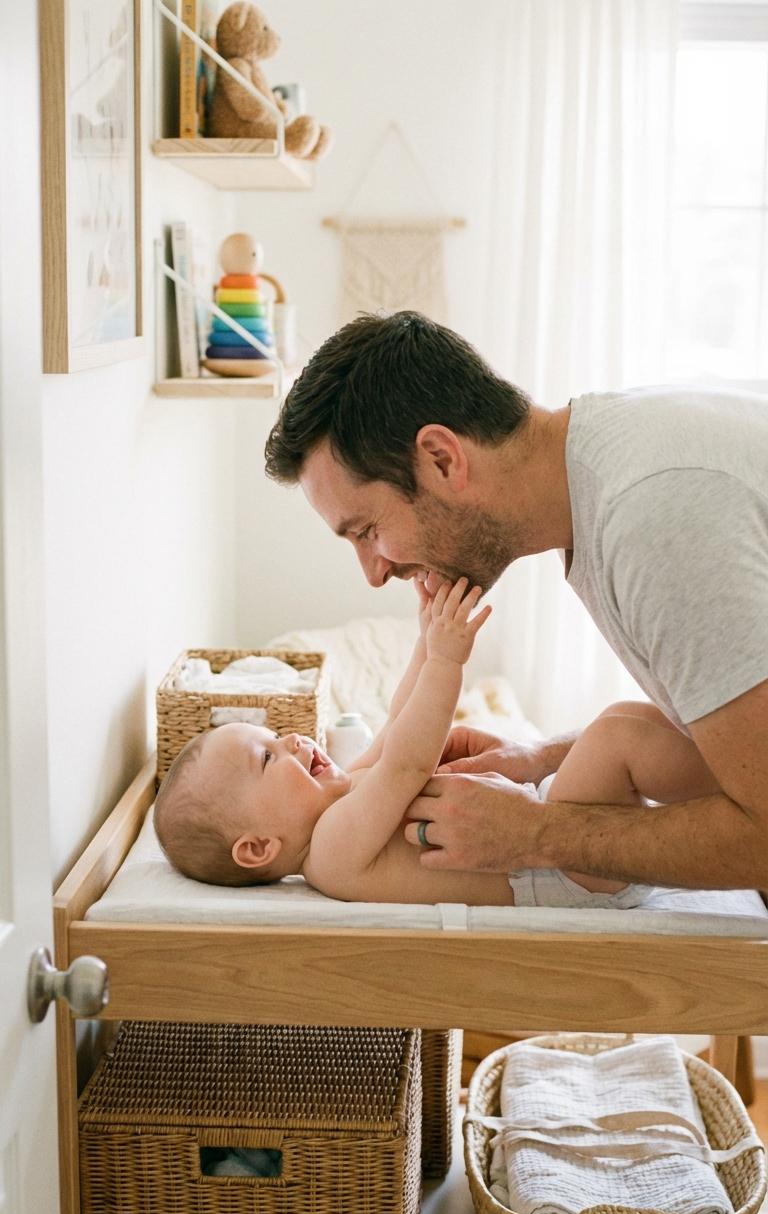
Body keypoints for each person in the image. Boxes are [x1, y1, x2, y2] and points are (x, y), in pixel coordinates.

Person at [263, 310, 768, 895]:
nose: (375, 573)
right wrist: (541, 756)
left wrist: (536, 835)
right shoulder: (602, 470)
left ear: (442, 459)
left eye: (367, 530)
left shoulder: (654, 519)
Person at [154, 578, 722, 908]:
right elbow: (406, 762)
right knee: (614, 737)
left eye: (277, 735)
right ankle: (743, 791)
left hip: (549, 836)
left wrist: (427, 636)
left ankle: (736, 785)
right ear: (258, 847)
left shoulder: (343, 794)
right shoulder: (330, 852)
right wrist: (449, 661)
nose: (293, 739)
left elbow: (399, 719)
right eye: (267, 756)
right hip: (561, 874)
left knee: (626, 718)